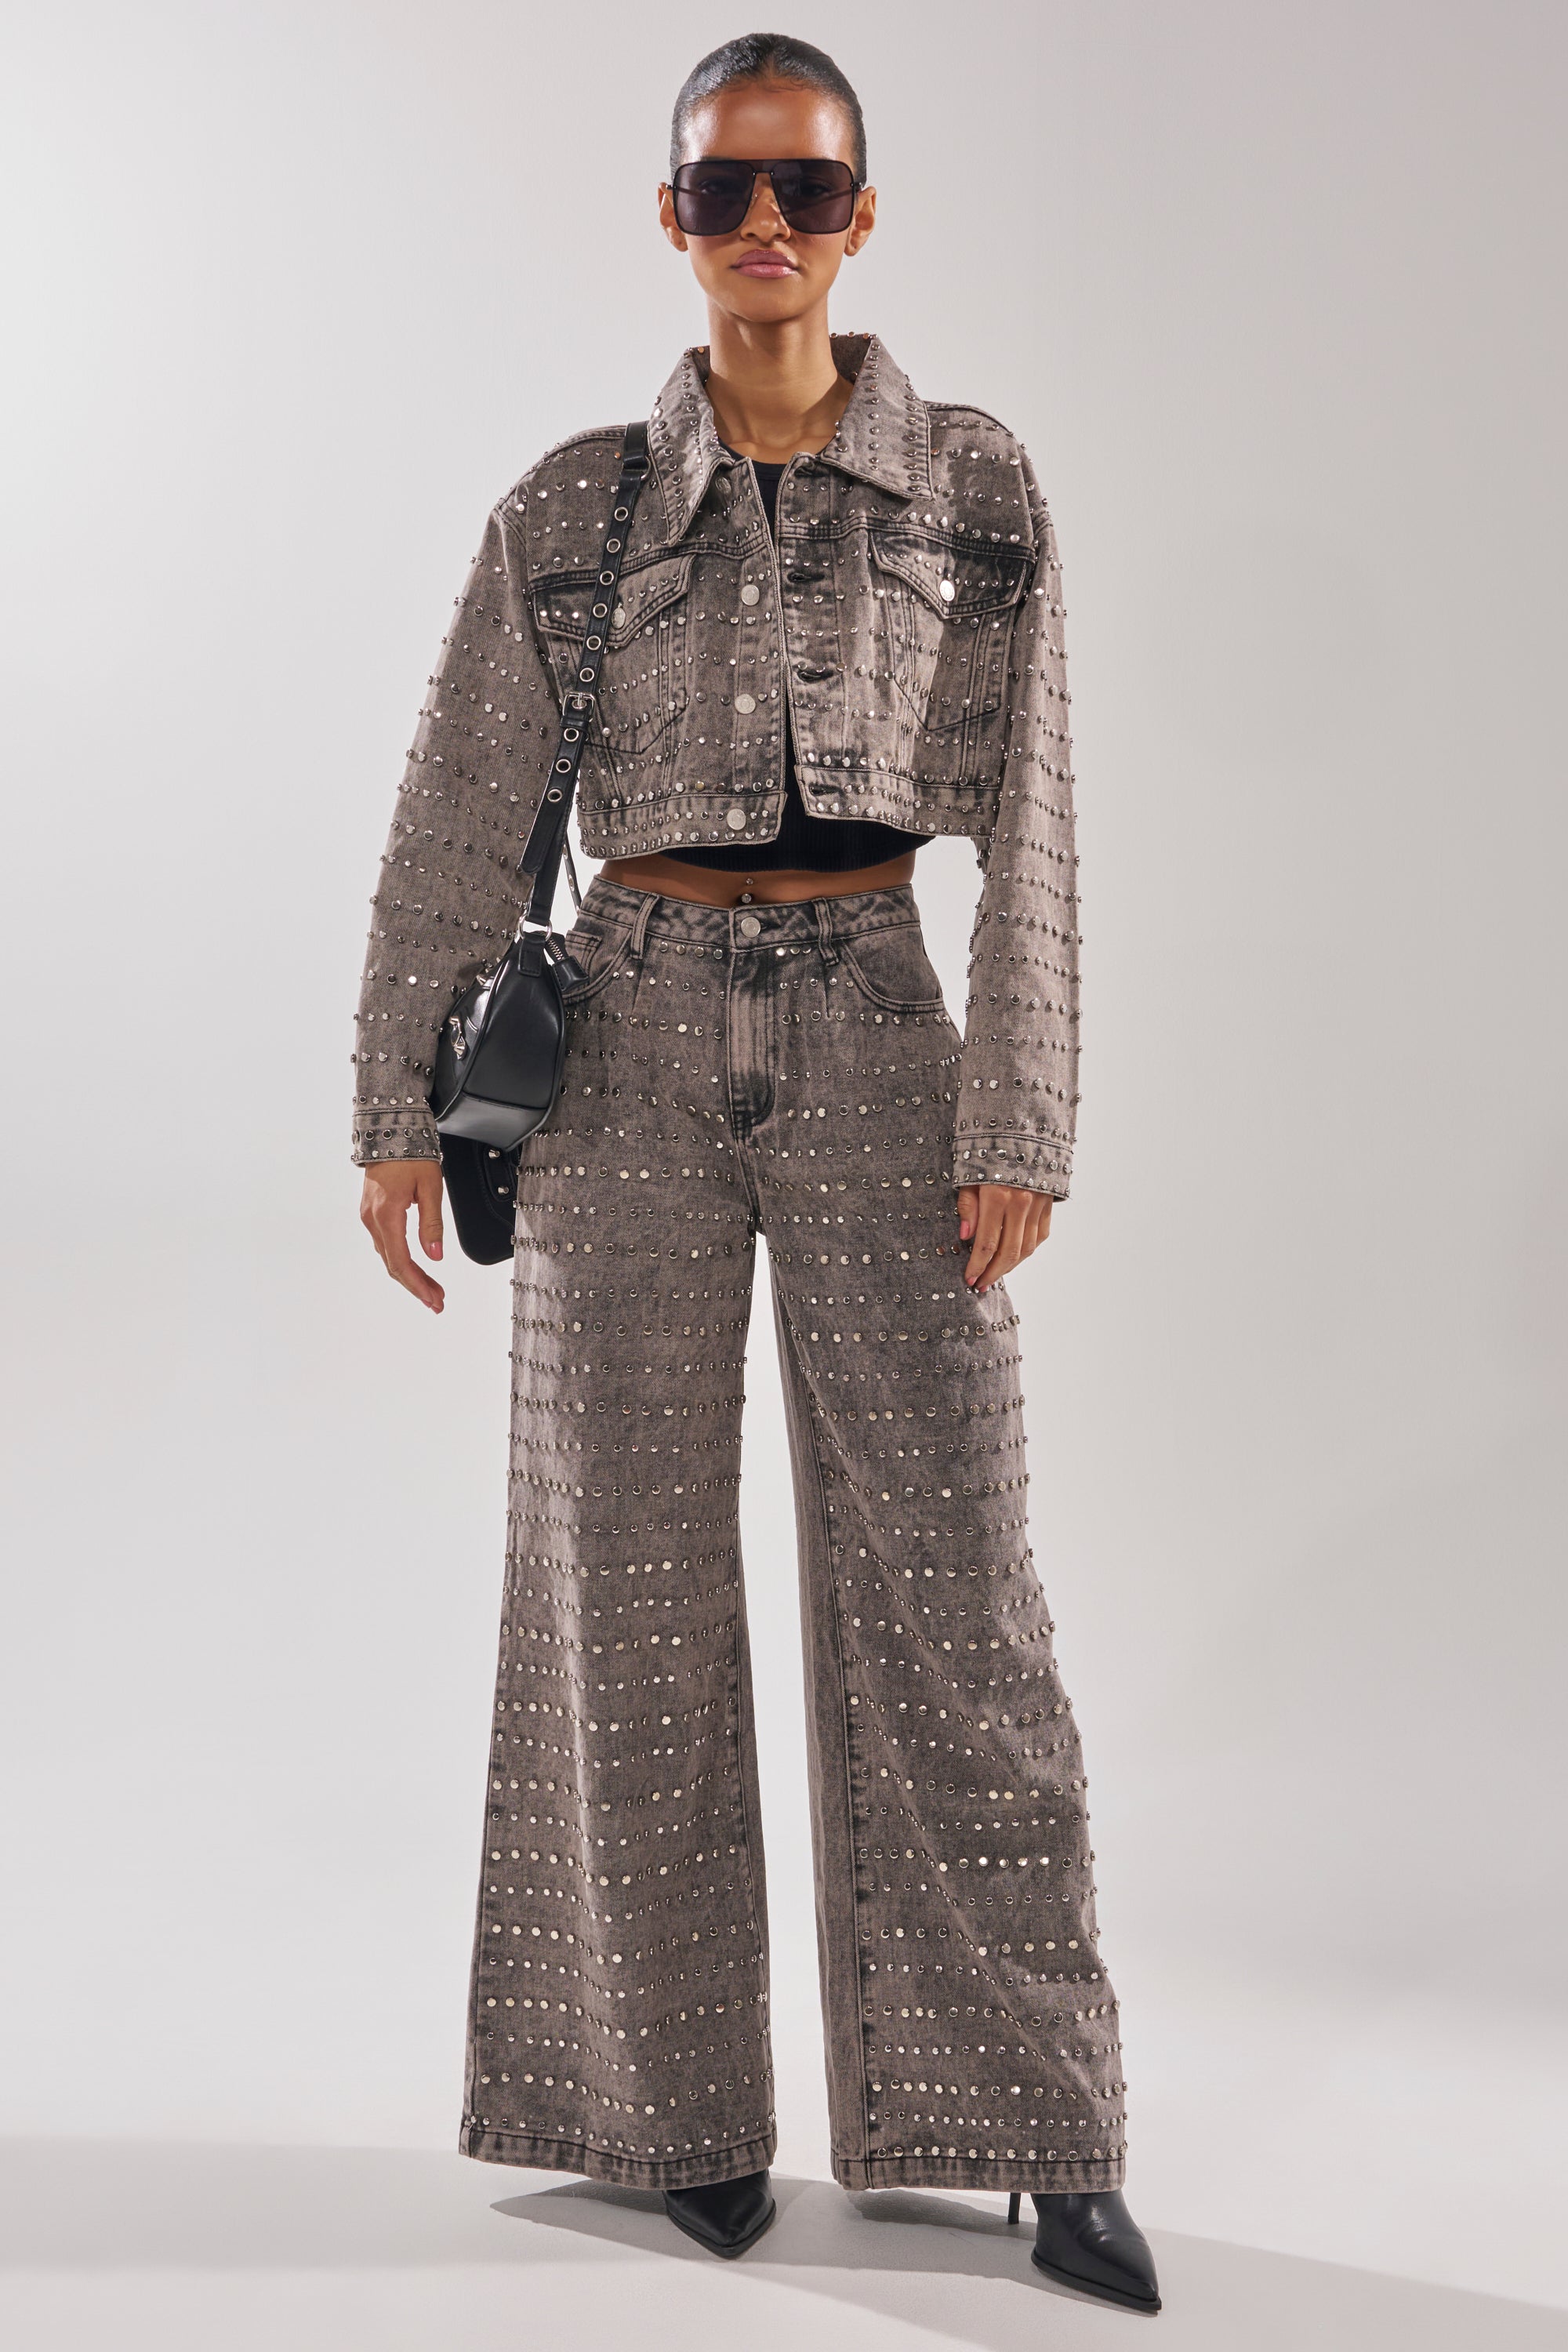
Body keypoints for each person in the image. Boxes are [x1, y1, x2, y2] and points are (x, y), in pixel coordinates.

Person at [352, 31, 1160, 2314]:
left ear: (866, 216)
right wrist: (396, 1108)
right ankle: (665, 2114)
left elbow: (1048, 826)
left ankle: (1033, 2123)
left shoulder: (975, 490)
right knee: (620, 1577)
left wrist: (1020, 1119)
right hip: (612, 1052)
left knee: (958, 1587)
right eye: (723, 193)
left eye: (804, 190)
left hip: (883, 1045)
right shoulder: (576, 508)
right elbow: (455, 820)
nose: (767, 231)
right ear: (676, 221)